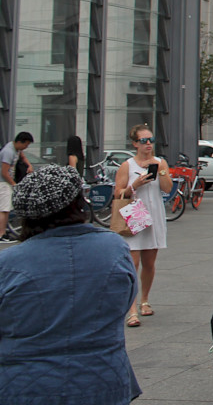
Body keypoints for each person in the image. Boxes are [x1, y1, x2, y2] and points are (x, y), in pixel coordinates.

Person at [0, 165, 141, 404]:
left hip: (24, 386)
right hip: (104, 381)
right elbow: (126, 301)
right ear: (79, 204)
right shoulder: (114, 249)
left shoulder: (9, 264)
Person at [113, 124, 172, 327]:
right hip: (135, 215)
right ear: (135, 143)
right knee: (132, 264)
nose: (148, 145)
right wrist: (135, 185)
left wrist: (162, 171)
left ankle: (145, 300)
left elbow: (167, 189)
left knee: (149, 263)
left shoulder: (159, 162)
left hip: (154, 214)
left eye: (151, 140)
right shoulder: (128, 165)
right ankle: (132, 309)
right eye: (144, 141)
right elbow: (118, 192)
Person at [0, 132, 34, 244]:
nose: (26, 147)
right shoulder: (8, 152)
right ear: (20, 142)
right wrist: (14, 184)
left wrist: (29, 165)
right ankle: (1, 234)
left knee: (6, 209)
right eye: (26, 144)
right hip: (3, 183)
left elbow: (22, 156)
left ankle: (3, 231)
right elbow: (4, 172)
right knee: (4, 209)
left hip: (7, 182)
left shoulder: (16, 148)